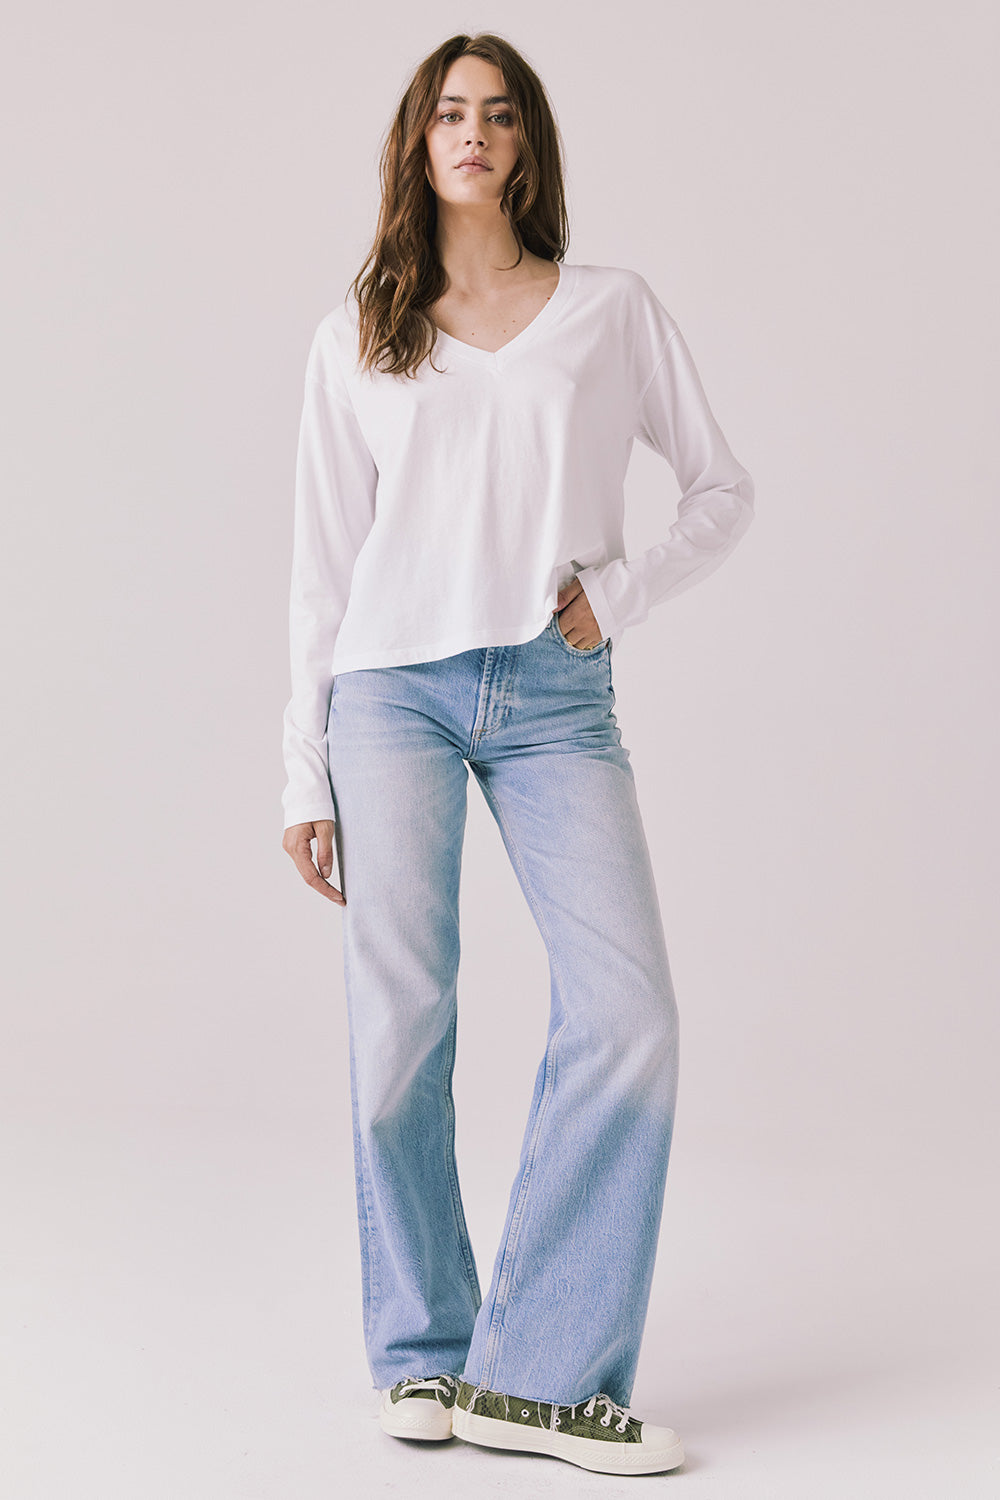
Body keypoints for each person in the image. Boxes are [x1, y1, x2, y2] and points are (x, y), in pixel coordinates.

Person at [280, 32, 754, 1478]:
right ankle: (426, 1357)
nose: (471, 134)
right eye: (447, 113)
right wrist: (302, 768)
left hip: (556, 697)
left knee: (632, 1014)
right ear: (418, 146)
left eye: (496, 114)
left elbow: (723, 489)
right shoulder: (360, 330)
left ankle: (535, 1378)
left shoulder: (609, 311)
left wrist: (622, 590)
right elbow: (322, 563)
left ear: (527, 146)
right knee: (398, 1036)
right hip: (391, 698)